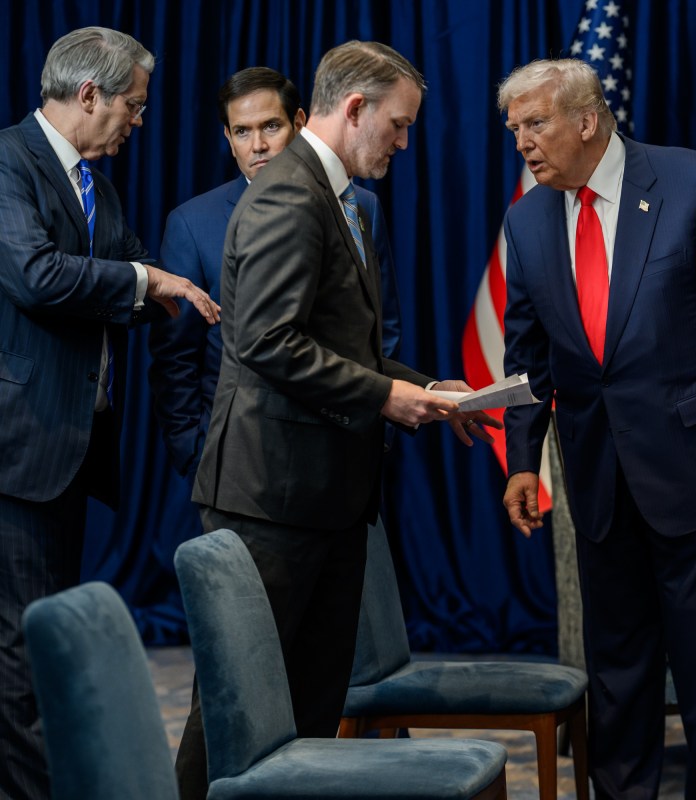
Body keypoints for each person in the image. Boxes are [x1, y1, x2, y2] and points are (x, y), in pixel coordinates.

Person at [178, 41, 498, 800]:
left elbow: (337, 345)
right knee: (234, 714)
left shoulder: (337, 197)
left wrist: (431, 389)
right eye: (398, 123)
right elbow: (263, 342)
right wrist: (387, 399)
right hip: (270, 499)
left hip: (326, 499)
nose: (404, 142)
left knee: (310, 713)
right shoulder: (291, 194)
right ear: (354, 109)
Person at [498, 58, 696, 799]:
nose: (522, 142)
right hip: (597, 480)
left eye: (536, 124)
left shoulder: (693, 183)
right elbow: (528, 355)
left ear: (587, 121)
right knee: (618, 676)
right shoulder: (527, 216)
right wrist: (523, 461)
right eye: (514, 128)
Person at [0, 26, 219, 800]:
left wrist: (177, 289)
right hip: (20, 452)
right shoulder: (8, 161)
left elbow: (132, 279)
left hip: (70, 449)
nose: (137, 121)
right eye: (132, 106)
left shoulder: (96, 179)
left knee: (47, 643)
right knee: (21, 653)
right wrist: (147, 282)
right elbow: (34, 275)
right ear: (88, 95)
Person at [148, 66, 404, 485]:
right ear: (227, 139)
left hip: (343, 450)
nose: (260, 145)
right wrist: (194, 452)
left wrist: (372, 423)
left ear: (299, 123)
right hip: (241, 462)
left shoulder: (360, 206)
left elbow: (382, 328)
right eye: (242, 132)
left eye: (271, 126)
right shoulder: (192, 224)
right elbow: (175, 358)